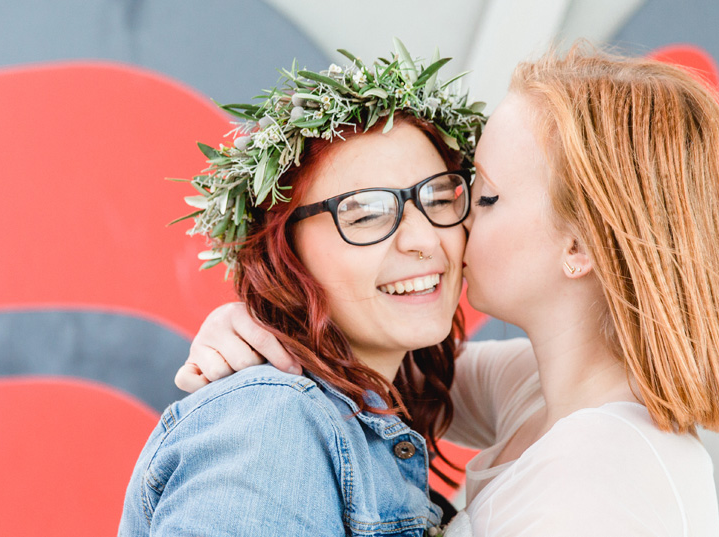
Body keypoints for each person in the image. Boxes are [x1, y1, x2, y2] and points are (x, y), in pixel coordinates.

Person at [176, 45, 719, 536]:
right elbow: (371, 370)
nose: (449, 228)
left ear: (579, 248)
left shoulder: (602, 482)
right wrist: (258, 321)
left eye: (483, 197)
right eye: (457, 193)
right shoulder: (541, 389)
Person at [119, 44, 487, 536]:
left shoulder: (373, 409)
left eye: (439, 197)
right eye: (367, 214)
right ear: (282, 250)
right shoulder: (272, 426)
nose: (424, 240)